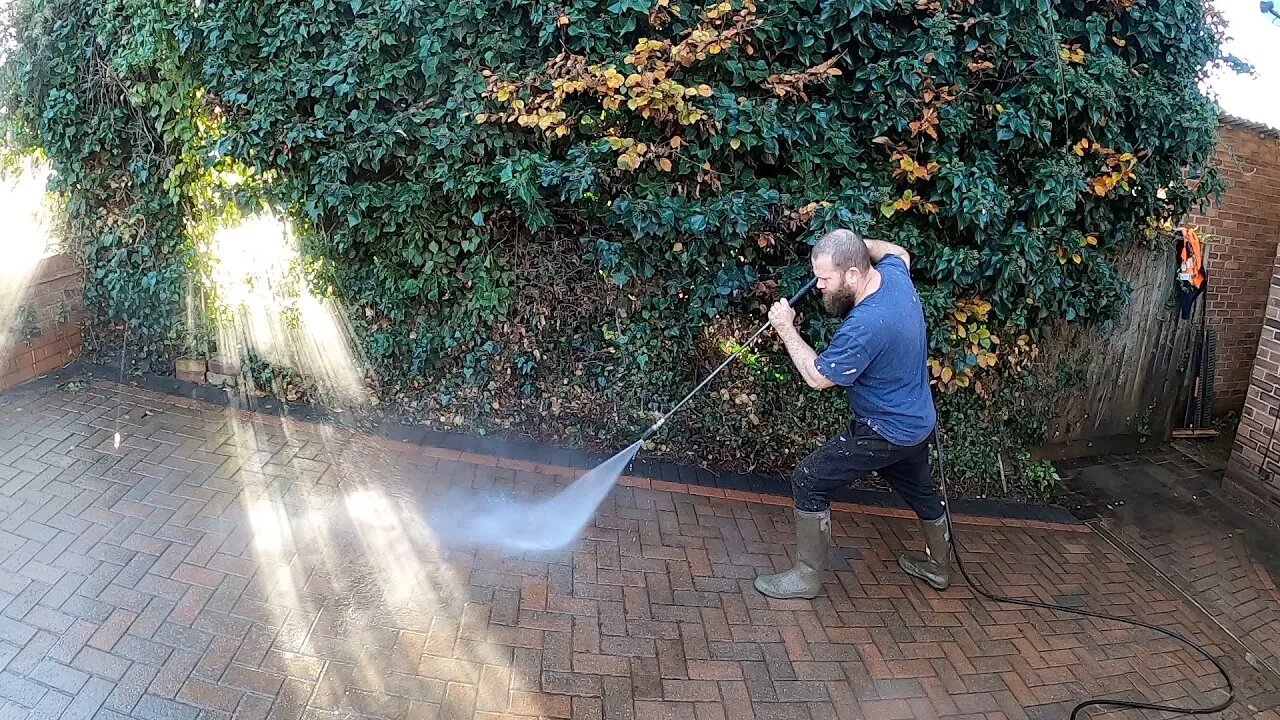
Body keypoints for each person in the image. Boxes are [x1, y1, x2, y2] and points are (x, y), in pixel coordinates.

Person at [753, 228, 949, 600]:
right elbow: (899, 249)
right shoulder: (894, 276)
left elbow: (817, 377)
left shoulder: (865, 327)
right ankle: (938, 568)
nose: (819, 287)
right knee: (921, 491)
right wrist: (854, 243)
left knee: (809, 479)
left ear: (854, 275)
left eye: (825, 278)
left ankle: (806, 578)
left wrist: (785, 328)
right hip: (917, 422)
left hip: (884, 430)